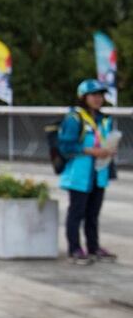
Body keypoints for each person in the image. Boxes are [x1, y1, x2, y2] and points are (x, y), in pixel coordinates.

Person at [58, 78, 119, 264]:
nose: (98, 98)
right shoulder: (74, 118)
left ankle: (94, 247)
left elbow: (104, 140)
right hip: (79, 174)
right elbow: (65, 146)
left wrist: (109, 150)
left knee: (93, 213)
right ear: (83, 97)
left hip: (98, 173)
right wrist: (92, 151)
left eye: (100, 95)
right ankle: (74, 248)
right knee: (77, 212)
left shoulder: (104, 119)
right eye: (94, 95)